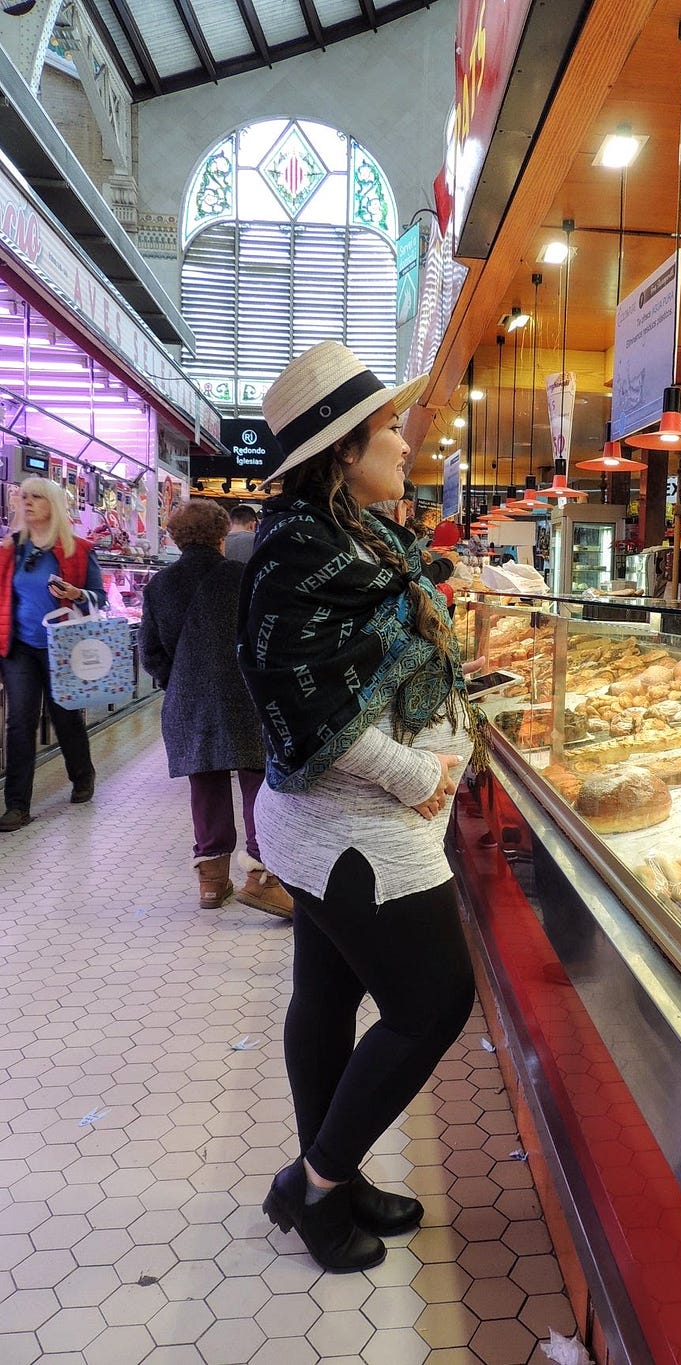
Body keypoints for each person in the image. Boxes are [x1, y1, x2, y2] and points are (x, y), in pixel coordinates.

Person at [238, 340, 481, 1274]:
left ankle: (326, 1171)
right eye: (387, 427)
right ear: (342, 449)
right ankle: (317, 1184)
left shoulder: (358, 539)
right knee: (435, 998)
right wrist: (416, 774)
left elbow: (376, 667)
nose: (403, 440)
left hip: (339, 827)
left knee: (330, 992)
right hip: (353, 827)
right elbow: (300, 696)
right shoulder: (299, 550)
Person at [139, 500, 292, 919]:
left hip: (188, 700)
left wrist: (183, 682)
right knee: (256, 780)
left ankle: (211, 881)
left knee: (204, 784)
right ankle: (262, 879)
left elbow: (150, 653)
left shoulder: (159, 585)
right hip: (244, 693)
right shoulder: (242, 578)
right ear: (222, 536)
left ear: (174, 538)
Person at [0, 477, 106, 831]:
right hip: (19, 648)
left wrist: (76, 594)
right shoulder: (12, 547)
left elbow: (98, 598)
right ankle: (17, 805)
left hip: (64, 647)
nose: (27, 503)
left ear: (53, 505)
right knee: (20, 722)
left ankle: (82, 775)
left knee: (66, 718)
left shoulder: (77, 548)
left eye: (36, 498)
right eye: (24, 497)